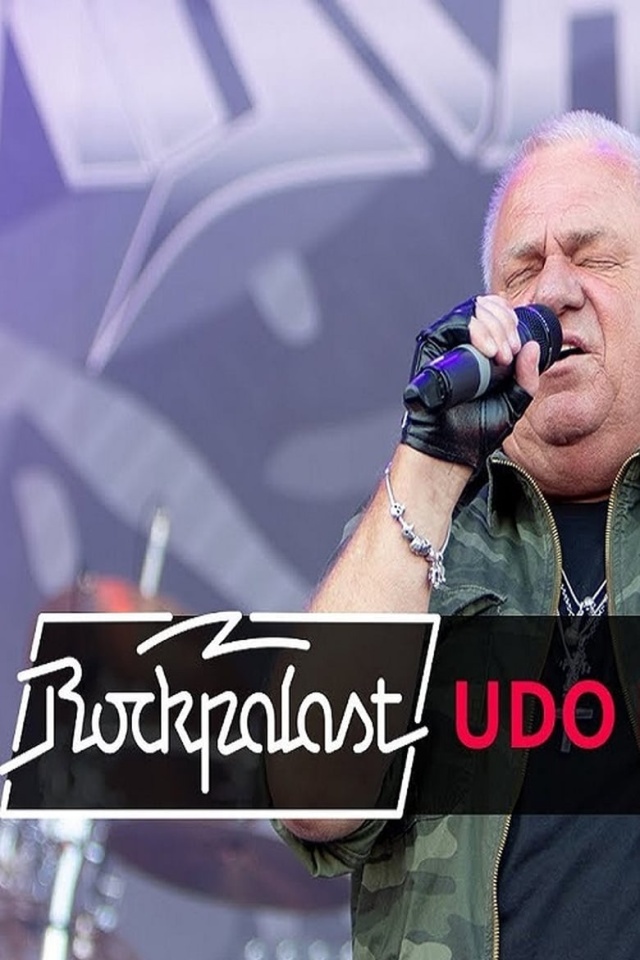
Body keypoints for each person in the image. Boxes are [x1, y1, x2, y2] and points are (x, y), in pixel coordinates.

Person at [274, 110, 640, 959]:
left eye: (593, 258)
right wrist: (434, 459)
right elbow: (311, 789)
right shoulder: (421, 534)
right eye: (523, 270)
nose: (553, 291)